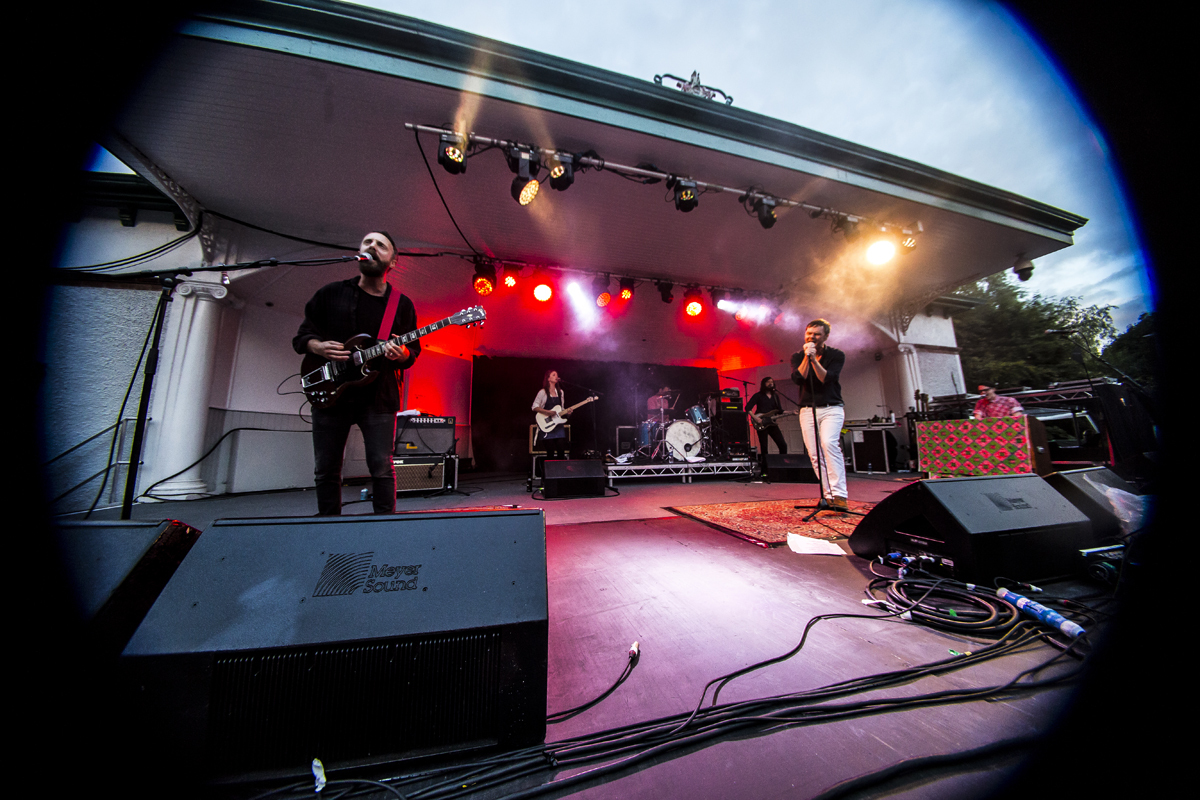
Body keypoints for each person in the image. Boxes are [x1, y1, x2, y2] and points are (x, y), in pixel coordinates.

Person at [293, 231, 420, 515]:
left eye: (381, 245)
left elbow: (412, 353)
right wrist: (319, 347)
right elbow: (301, 338)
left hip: (378, 397)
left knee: (381, 467)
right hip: (331, 393)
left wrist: (402, 354)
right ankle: (328, 527)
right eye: (367, 243)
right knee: (326, 468)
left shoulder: (401, 305)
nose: (372, 247)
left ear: (393, 261)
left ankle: (383, 526)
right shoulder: (330, 293)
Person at [791, 319, 848, 511]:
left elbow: (826, 378)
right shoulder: (799, 356)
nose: (811, 337)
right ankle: (828, 495)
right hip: (808, 409)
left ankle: (840, 495)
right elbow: (799, 378)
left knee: (829, 443)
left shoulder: (836, 355)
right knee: (815, 454)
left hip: (832, 408)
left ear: (825, 336)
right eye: (809, 333)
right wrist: (807, 358)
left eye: (816, 334)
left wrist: (815, 360)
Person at [746, 377, 791, 471]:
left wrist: (792, 412)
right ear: (764, 384)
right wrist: (755, 418)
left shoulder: (775, 396)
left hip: (772, 424)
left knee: (783, 445)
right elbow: (748, 408)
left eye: (772, 382)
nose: (771, 383)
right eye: (768, 382)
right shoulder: (758, 395)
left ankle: (782, 466)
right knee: (764, 447)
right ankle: (764, 470)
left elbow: (779, 411)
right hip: (761, 423)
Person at [532, 370, 571, 461]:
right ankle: (549, 474)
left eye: (557, 375)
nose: (556, 377)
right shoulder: (542, 392)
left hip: (557, 425)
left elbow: (561, 408)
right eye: (554, 375)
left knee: (561, 450)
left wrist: (567, 412)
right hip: (547, 424)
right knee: (550, 452)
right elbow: (534, 407)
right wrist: (547, 412)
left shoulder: (561, 392)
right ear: (548, 379)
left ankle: (560, 474)